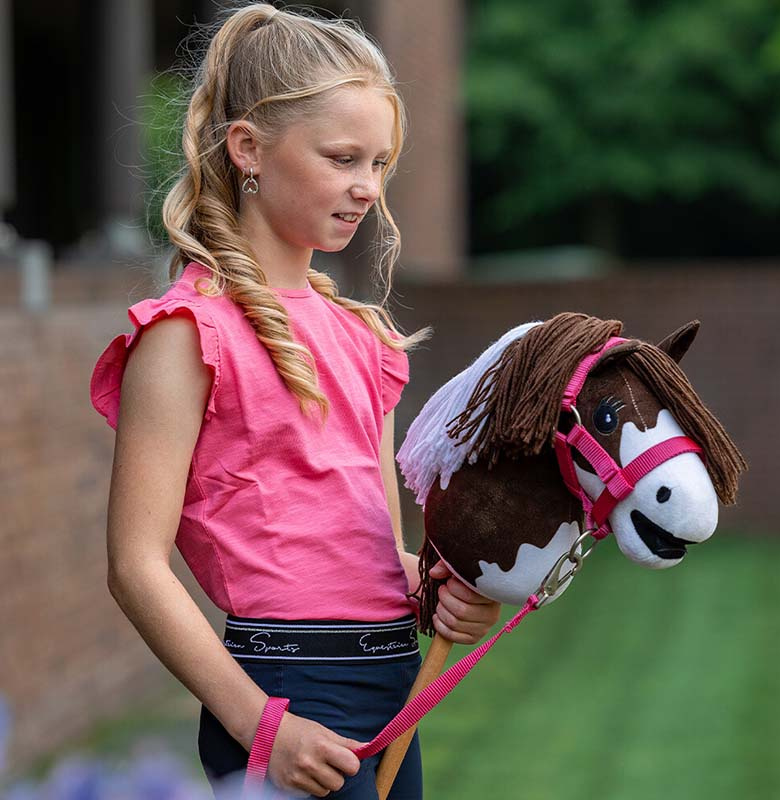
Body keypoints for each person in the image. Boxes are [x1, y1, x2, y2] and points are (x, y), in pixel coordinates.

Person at [89, 4, 501, 799]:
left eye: (379, 163)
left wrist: (438, 594)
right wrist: (261, 726)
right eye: (342, 157)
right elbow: (135, 566)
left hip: (393, 686)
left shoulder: (364, 339)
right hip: (285, 697)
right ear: (248, 149)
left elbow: (375, 563)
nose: (366, 188)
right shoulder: (187, 333)